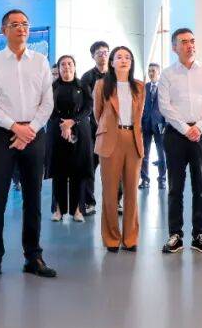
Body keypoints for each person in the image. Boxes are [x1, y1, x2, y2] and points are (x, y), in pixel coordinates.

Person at [0, 9, 56, 281]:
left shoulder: (41, 61)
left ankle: (33, 256)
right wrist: (15, 127)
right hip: (2, 135)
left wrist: (30, 129)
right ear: (4, 30)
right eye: (15, 24)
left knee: (33, 198)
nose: (21, 28)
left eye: (25, 24)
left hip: (34, 134)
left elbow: (48, 101)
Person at [158, 28, 202, 255]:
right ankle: (175, 235)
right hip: (175, 135)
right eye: (184, 42)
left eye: (192, 41)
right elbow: (165, 106)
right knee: (175, 187)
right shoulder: (167, 74)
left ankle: (199, 235)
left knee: (200, 186)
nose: (190, 45)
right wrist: (185, 129)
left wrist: (199, 127)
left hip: (201, 134)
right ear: (174, 47)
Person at [93, 46, 145, 252]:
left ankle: (130, 238)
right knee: (110, 191)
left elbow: (139, 115)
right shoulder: (101, 85)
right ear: (112, 62)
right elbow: (98, 113)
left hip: (133, 139)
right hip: (110, 140)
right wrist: (109, 129)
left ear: (131, 63)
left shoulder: (139, 86)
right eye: (119, 57)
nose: (124, 60)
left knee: (131, 191)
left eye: (128, 57)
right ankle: (112, 238)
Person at [46, 55, 93, 223]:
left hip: (80, 130)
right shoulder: (52, 87)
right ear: (58, 68)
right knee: (59, 170)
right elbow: (47, 108)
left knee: (78, 171)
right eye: (63, 64)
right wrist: (63, 125)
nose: (66, 67)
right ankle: (58, 210)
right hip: (57, 130)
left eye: (70, 63)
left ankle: (77, 210)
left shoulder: (83, 85)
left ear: (75, 66)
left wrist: (72, 122)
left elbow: (88, 107)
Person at [79, 40, 110, 214]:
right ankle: (89, 202)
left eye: (106, 52)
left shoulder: (115, 76)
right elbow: (85, 105)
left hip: (112, 129)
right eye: (99, 53)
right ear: (93, 56)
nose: (103, 56)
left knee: (114, 167)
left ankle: (115, 202)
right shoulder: (87, 77)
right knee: (89, 166)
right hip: (92, 129)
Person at [139, 62, 167, 190]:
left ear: (159, 72)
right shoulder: (144, 87)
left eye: (153, 71)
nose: (151, 73)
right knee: (144, 154)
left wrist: (165, 124)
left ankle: (162, 180)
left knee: (161, 154)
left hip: (160, 124)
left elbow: (168, 107)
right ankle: (145, 180)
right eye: (149, 71)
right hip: (145, 124)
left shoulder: (164, 88)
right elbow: (140, 106)